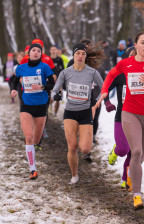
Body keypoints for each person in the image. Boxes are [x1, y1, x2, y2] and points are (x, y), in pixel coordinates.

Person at [96, 31, 144, 210]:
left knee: (141, 156)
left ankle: (133, 173)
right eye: (143, 42)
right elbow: (109, 76)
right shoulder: (125, 64)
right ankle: (136, 195)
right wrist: (104, 91)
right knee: (136, 151)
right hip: (129, 113)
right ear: (136, 45)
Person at [51, 43, 103, 184]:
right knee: (72, 146)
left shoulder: (92, 72)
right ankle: (74, 175)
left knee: (85, 148)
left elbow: (104, 89)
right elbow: (55, 90)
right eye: (77, 53)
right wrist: (56, 95)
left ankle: (84, 138)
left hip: (85, 112)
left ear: (86, 56)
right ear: (73, 55)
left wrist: (96, 101)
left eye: (83, 54)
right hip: (70, 113)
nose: (80, 56)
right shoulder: (66, 73)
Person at [10, 43, 55, 180]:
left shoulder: (45, 67)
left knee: (35, 140)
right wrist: (13, 89)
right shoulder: (21, 68)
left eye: (38, 51)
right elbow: (14, 80)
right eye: (33, 50)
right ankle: (33, 169)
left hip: (41, 105)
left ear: (41, 54)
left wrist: (41, 86)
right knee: (28, 138)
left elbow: (52, 84)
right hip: (26, 105)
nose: (36, 52)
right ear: (28, 53)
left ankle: (33, 147)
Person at [106, 47, 136, 190]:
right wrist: (107, 102)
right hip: (121, 117)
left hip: (138, 118)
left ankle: (126, 179)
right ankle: (116, 150)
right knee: (124, 149)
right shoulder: (120, 74)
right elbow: (105, 89)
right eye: (131, 55)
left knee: (134, 152)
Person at [49, 45, 65, 116]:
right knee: (51, 98)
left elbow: (63, 70)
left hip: (58, 81)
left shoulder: (60, 59)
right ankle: (50, 105)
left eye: (54, 49)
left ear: (56, 51)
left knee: (58, 98)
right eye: (52, 49)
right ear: (50, 51)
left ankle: (55, 113)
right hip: (49, 81)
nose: (53, 51)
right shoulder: (48, 59)